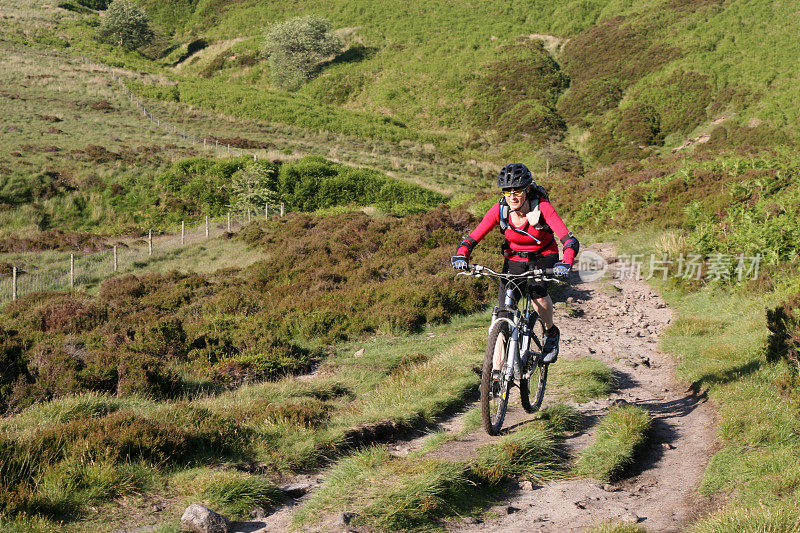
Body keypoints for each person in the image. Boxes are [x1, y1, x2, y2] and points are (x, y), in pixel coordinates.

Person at [451, 163, 579, 363]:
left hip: (543, 256)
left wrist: (566, 262)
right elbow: (472, 237)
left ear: (527, 189)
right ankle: (495, 378)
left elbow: (569, 240)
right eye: (507, 191)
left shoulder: (542, 207)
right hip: (514, 259)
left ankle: (550, 333)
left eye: (517, 190)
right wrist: (462, 255)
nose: (512, 196)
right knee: (504, 315)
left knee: (537, 294)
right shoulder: (500, 210)